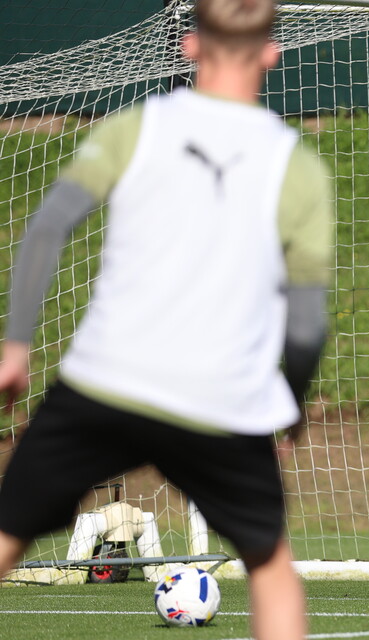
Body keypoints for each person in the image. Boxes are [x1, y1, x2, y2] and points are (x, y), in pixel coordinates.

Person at [0, 0, 333, 637]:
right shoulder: (298, 166)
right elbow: (306, 317)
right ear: (271, 53)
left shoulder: (136, 128)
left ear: (189, 46)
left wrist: (17, 348)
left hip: (107, 380)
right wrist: (290, 399)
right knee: (270, 567)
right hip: (221, 400)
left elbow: (46, 228)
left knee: (7, 533)